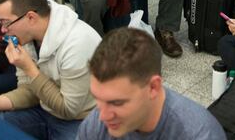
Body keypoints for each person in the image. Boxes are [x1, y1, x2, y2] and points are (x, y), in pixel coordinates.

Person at [0, 0, 101, 139]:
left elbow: (68, 110)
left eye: (6, 22)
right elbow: (30, 92)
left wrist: (29, 69)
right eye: (0, 22)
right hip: (44, 109)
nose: (3, 30)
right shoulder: (25, 36)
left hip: (80, 119)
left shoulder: (76, 45)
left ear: (31, 17)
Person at [78, 28, 226, 139]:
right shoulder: (96, 125)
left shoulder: (199, 134)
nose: (102, 116)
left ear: (153, 87)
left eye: (116, 103)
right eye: (98, 98)